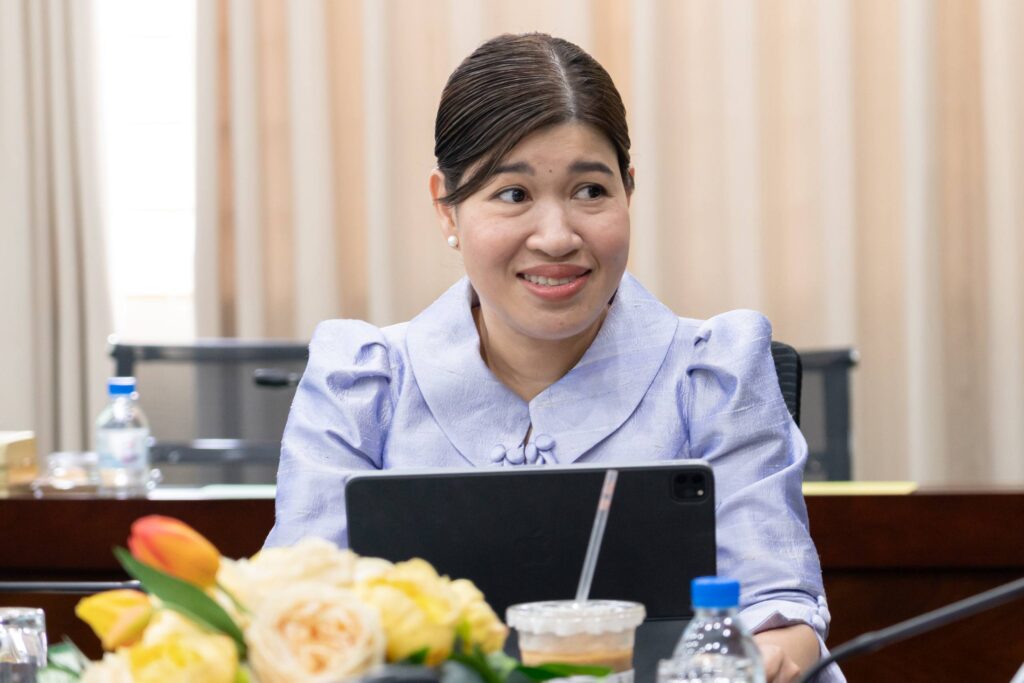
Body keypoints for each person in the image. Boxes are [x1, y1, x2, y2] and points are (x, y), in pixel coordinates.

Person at [267, 33, 844, 683]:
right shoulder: (361, 383)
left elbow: (779, 609)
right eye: (513, 194)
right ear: (446, 208)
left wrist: (763, 661)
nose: (557, 236)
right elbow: (295, 617)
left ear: (629, 191)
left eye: (590, 191)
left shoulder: (714, 373)